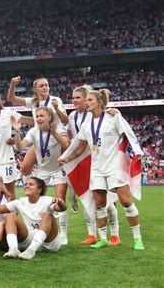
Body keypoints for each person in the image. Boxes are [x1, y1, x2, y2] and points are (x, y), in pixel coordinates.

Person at [59, 89, 144, 250]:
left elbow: (128, 133)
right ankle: (103, 238)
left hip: (115, 168)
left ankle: (137, 238)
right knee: (99, 204)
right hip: (96, 169)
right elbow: (80, 146)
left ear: (99, 102)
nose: (87, 102)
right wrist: (67, 158)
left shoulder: (112, 118)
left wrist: (137, 151)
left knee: (126, 201)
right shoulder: (86, 124)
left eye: (90, 100)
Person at [66, 85, 120, 246]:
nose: (75, 100)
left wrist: (116, 111)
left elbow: (111, 121)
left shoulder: (97, 114)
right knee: (87, 198)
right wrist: (68, 156)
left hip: (98, 159)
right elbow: (75, 139)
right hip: (82, 161)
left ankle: (115, 234)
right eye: (73, 98)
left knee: (106, 200)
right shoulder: (72, 116)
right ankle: (92, 234)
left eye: (79, 98)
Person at [0, 177, 67, 260]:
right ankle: (13, 249)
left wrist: (61, 203)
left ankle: (32, 250)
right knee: (10, 215)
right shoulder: (20, 201)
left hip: (50, 242)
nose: (26, 186)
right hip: (30, 238)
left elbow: (61, 208)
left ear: (39, 190)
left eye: (31, 184)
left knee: (48, 215)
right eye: (26, 184)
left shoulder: (47, 200)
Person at [12, 106, 70, 244]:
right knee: (39, 200)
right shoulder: (33, 131)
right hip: (42, 170)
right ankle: (39, 230)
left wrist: (55, 133)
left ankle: (63, 236)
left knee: (59, 199)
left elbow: (67, 145)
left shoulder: (59, 128)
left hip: (58, 168)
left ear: (50, 117)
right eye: (37, 116)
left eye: (42, 116)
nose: (38, 119)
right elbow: (20, 148)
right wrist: (17, 132)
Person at [7, 76, 68, 179]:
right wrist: (13, 83)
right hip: (39, 138)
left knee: (63, 166)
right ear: (35, 89)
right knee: (25, 169)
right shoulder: (33, 102)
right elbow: (11, 98)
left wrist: (57, 108)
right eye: (41, 86)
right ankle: (34, 188)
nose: (45, 87)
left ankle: (69, 189)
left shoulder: (55, 100)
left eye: (46, 85)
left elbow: (65, 121)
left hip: (55, 137)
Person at [0, 89, 32, 199]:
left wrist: (44, 118)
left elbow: (28, 120)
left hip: (6, 160)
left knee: (10, 192)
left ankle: (13, 215)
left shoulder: (8, 114)